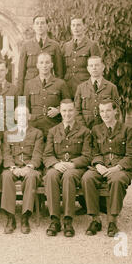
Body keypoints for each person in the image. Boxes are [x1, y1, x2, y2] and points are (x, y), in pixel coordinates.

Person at [81, 100, 132, 237]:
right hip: (101, 166)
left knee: (116, 180)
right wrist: (99, 165)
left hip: (120, 169)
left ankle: (112, 221)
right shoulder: (96, 130)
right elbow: (94, 152)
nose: (105, 114)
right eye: (102, 111)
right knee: (86, 178)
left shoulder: (127, 130)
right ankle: (95, 219)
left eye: (108, 110)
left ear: (115, 111)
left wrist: (117, 167)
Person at [42, 99, 92, 237]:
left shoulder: (84, 131)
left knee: (69, 176)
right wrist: (56, 164)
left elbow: (87, 156)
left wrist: (73, 164)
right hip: (58, 165)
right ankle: (55, 220)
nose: (67, 114)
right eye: (64, 110)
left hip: (75, 168)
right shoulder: (53, 131)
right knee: (50, 175)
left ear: (75, 111)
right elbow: (47, 155)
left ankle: (68, 220)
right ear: (60, 112)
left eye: (70, 110)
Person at [1, 105, 43, 234]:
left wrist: (29, 167)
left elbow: (37, 154)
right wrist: (13, 168)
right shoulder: (9, 133)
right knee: (6, 176)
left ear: (29, 117)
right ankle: (10, 217)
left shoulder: (37, 133)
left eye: (24, 115)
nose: (22, 118)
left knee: (31, 177)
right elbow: (6, 154)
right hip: (13, 167)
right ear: (14, 117)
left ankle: (25, 217)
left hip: (30, 168)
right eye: (19, 115)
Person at [24, 52, 71, 139]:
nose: (44, 65)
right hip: (35, 127)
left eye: (47, 62)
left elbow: (69, 104)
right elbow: (25, 107)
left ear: (51, 65)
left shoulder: (60, 83)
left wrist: (58, 110)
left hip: (54, 126)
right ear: (37, 65)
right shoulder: (29, 84)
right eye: (41, 63)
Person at [17, 14, 63, 95]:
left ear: (47, 26)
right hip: (30, 86)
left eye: (42, 23)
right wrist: (21, 94)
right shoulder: (26, 45)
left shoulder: (55, 46)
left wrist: (57, 90)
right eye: (37, 23)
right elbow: (21, 72)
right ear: (33, 27)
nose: (40, 26)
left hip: (49, 86)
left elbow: (59, 72)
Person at [74, 56, 120, 129]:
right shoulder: (81, 88)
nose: (94, 68)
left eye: (97, 65)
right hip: (86, 128)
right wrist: (83, 128)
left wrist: (110, 127)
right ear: (88, 69)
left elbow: (117, 110)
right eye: (91, 66)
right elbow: (77, 111)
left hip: (104, 129)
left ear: (103, 67)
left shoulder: (111, 87)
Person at [62, 16, 101, 97]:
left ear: (84, 27)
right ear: (70, 27)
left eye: (78, 25)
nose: (76, 28)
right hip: (68, 87)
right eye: (73, 25)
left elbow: (97, 69)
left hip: (85, 86)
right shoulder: (66, 46)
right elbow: (62, 68)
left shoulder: (91, 45)